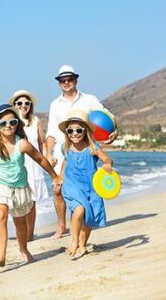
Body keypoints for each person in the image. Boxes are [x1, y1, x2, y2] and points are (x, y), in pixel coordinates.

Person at [0, 104, 62, 267]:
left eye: (12, 122)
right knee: (0, 215)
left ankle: (23, 248)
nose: (8, 126)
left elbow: (40, 159)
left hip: (20, 187)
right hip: (0, 185)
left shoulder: (22, 144)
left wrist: (54, 176)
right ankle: (1, 256)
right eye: (3, 123)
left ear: (17, 124)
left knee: (20, 223)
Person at [44, 65, 117, 239]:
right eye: (62, 80)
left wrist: (115, 131)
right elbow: (51, 131)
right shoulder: (55, 104)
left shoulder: (90, 99)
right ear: (59, 83)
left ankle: (76, 225)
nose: (66, 82)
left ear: (76, 80)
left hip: (85, 151)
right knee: (58, 190)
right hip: (64, 152)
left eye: (69, 79)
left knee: (81, 191)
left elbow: (107, 117)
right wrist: (48, 153)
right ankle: (62, 226)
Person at [57, 109, 113, 259]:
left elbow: (107, 159)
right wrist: (60, 177)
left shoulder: (92, 147)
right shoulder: (65, 147)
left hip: (91, 186)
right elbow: (66, 162)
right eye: (70, 131)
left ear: (85, 130)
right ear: (67, 132)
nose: (74, 134)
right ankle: (74, 242)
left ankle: (83, 244)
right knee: (79, 211)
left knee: (89, 217)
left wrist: (107, 164)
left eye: (78, 130)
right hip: (72, 185)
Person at [7, 90, 49, 241]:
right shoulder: (11, 122)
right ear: (14, 105)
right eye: (19, 103)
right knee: (17, 200)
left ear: (30, 106)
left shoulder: (36, 121)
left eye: (27, 103)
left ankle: (29, 234)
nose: (23, 106)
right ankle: (21, 233)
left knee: (31, 202)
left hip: (34, 164)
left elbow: (41, 143)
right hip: (18, 164)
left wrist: (46, 159)